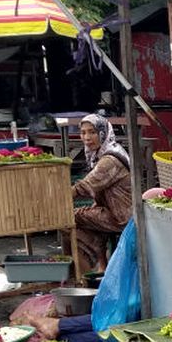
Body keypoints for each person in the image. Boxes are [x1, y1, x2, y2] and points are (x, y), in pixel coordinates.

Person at [65, 114, 132, 273]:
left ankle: (86, 269)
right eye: (83, 133)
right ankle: (101, 268)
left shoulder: (109, 160)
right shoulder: (102, 153)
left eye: (92, 132)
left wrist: (57, 197)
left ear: (103, 133)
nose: (87, 137)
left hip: (122, 217)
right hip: (112, 212)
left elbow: (84, 187)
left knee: (67, 219)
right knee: (83, 217)